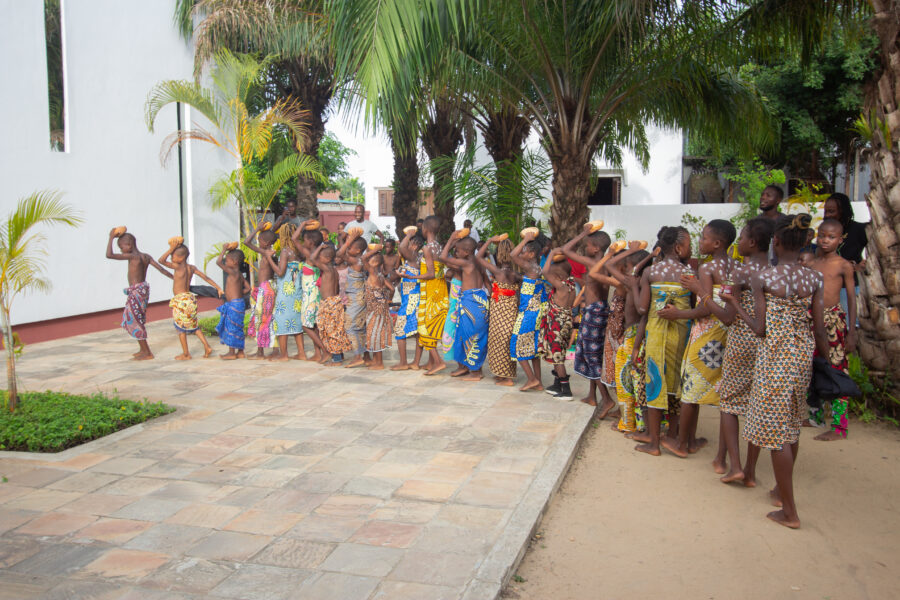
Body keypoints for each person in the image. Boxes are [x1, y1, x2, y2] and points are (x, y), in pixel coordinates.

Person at [722, 214, 828, 529]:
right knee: (792, 427)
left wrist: (734, 303)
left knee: (776, 434)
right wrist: (827, 363)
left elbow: (759, 328)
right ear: (806, 241)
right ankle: (780, 493)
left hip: (775, 361)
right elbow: (820, 328)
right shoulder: (815, 279)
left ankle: (790, 512)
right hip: (801, 360)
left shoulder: (763, 278)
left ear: (776, 243)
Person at [659, 220, 737, 459]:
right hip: (725, 334)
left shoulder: (706, 268)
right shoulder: (735, 266)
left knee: (691, 387)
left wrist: (678, 312)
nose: (700, 242)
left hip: (706, 332)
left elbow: (705, 308)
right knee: (710, 385)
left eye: (703, 238)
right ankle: (692, 441)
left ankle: (682, 444)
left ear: (716, 243)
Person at [630, 226, 693, 456]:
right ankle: (673, 437)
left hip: (656, 335)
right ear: (678, 247)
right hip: (681, 335)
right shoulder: (690, 274)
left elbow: (642, 308)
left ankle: (654, 444)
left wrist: (634, 287)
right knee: (677, 385)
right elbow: (695, 307)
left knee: (654, 383)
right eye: (687, 243)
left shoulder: (651, 273)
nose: (690, 247)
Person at [807, 218, 858, 441]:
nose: (825, 240)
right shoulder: (811, 264)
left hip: (834, 322)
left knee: (837, 370)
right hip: (811, 321)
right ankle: (815, 417)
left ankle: (840, 426)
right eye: (822, 235)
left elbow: (852, 299)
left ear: (840, 239)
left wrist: (852, 331)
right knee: (810, 369)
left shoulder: (843, 265)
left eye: (831, 237)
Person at [561, 224, 614, 411]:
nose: (586, 248)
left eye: (589, 245)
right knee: (593, 353)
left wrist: (583, 232)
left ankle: (606, 399)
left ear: (597, 248)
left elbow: (566, 249)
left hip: (593, 311)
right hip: (600, 309)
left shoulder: (593, 263)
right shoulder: (608, 263)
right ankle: (592, 395)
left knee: (591, 356)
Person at [604, 246, 654, 433]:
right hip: (637, 336)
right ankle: (636, 424)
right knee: (636, 384)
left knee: (625, 384)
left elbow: (609, 264)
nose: (623, 269)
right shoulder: (642, 284)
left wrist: (631, 251)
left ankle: (629, 424)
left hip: (632, 338)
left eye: (627, 265)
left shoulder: (633, 283)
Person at [105, 228, 172, 360]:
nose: (120, 250)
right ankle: (142, 349)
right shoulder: (146, 256)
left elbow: (109, 255)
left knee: (134, 320)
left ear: (129, 245)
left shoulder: (132, 256)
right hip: (142, 291)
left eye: (121, 247)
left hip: (136, 292)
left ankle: (147, 352)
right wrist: (175, 278)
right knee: (137, 318)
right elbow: (162, 270)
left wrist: (111, 237)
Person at [158, 240, 222, 360]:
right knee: (194, 326)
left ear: (181, 257)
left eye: (173, 255)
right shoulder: (191, 268)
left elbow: (161, 260)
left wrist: (171, 248)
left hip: (181, 301)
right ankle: (207, 346)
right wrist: (218, 287)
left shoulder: (177, 267)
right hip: (190, 299)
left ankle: (186, 353)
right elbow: (205, 277)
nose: (171, 257)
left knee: (180, 328)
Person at [442, 233, 490, 381]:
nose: (456, 253)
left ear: (467, 252)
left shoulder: (467, 263)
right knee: (473, 335)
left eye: (459, 251)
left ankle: (475, 373)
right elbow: (487, 282)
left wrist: (450, 239)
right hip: (480, 299)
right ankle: (473, 369)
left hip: (471, 302)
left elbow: (443, 257)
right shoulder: (477, 262)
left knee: (471, 336)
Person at [479, 237, 520, 386]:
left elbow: (478, 257)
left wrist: (489, 241)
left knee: (497, 340)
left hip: (498, 309)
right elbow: (519, 294)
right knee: (506, 340)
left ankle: (507, 378)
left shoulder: (496, 271)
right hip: (511, 310)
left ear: (498, 255)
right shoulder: (516, 275)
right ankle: (502, 374)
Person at [510, 231, 548, 391]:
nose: (521, 253)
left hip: (528, 313)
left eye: (524, 251)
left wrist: (525, 239)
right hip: (536, 312)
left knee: (516, 343)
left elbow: (512, 254)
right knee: (533, 349)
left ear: (531, 254)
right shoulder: (536, 267)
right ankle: (538, 381)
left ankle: (531, 379)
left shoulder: (529, 266)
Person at [539, 248, 578, 400]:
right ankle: (557, 384)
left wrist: (551, 254)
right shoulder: (572, 284)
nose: (551, 278)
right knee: (558, 353)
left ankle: (566, 389)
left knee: (557, 356)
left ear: (560, 276)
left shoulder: (562, 286)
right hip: (564, 321)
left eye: (554, 276)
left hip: (558, 324)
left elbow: (544, 270)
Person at [414, 215, 450, 375]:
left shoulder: (427, 248)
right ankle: (430, 362)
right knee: (433, 324)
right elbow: (440, 270)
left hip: (431, 290)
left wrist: (412, 276)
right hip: (440, 289)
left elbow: (430, 273)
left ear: (425, 229)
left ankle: (438, 361)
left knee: (424, 325)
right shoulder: (439, 247)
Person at [265, 224, 306, 361]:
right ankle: (301, 353)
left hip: (286, 292)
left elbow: (280, 272)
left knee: (281, 321)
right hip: (296, 291)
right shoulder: (299, 252)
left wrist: (269, 258)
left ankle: (284, 355)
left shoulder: (285, 251)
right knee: (296, 322)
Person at [824, 192, 867, 321]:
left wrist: (863, 265)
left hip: (849, 287)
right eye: (826, 211)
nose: (827, 215)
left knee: (848, 326)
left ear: (843, 211)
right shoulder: (826, 230)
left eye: (831, 211)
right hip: (829, 287)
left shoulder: (858, 229)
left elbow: (878, 248)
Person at [309, 242, 352, 365]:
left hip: (329, 303)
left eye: (320, 257)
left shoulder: (327, 269)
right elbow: (337, 288)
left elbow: (312, 258)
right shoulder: (334, 271)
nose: (318, 259)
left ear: (327, 259)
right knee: (336, 329)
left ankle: (337, 359)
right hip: (335, 301)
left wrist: (319, 247)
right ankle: (340, 355)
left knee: (331, 331)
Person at [292, 224, 328, 363]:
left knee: (306, 325)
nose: (302, 242)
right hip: (314, 293)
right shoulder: (318, 253)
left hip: (311, 294)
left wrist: (301, 225)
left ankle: (325, 351)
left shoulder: (310, 254)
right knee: (314, 325)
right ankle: (318, 353)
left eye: (305, 240)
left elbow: (294, 238)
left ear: (311, 242)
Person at [244, 222, 279, 359]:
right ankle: (265, 351)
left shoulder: (266, 252)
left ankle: (264, 352)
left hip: (266, 289)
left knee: (263, 319)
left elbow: (247, 242)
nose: (258, 243)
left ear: (266, 242)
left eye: (259, 241)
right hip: (268, 287)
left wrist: (257, 229)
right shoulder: (270, 253)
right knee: (266, 319)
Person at [392, 230, 425, 370]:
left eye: (410, 243)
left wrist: (409, 234)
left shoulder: (413, 256)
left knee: (399, 330)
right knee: (418, 331)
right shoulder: (416, 258)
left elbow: (401, 247)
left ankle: (403, 363)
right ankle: (415, 363)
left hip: (411, 300)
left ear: (415, 245)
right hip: (414, 298)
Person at [337, 230, 370, 368]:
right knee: (360, 327)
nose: (348, 248)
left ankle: (357, 356)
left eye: (350, 247)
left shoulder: (356, 260)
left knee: (350, 326)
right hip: (359, 296)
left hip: (355, 298)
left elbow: (339, 254)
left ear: (358, 251)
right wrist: (346, 240)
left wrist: (349, 240)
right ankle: (366, 356)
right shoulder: (361, 259)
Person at [215, 246, 250, 359]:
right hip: (239, 302)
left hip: (234, 304)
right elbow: (248, 288)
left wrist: (224, 249)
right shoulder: (239, 273)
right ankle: (240, 352)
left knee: (231, 327)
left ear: (234, 262)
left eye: (228, 260)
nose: (226, 261)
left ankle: (231, 353)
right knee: (238, 327)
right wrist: (239, 293)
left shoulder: (232, 271)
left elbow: (218, 262)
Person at [363, 248, 394, 370]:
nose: (367, 262)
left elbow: (363, 258)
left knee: (375, 334)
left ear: (375, 263)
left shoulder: (372, 273)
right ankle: (376, 360)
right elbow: (391, 289)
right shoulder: (380, 276)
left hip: (375, 309)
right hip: (379, 308)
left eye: (370, 260)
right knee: (376, 333)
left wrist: (373, 250)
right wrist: (388, 300)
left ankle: (379, 363)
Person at [441, 266, 463, 366]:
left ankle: (463, 366)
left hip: (458, 306)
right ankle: (461, 365)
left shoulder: (460, 264)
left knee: (456, 332)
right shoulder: (457, 265)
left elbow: (448, 274)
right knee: (452, 331)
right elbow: (448, 274)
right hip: (454, 307)